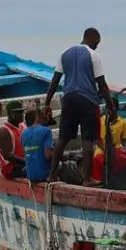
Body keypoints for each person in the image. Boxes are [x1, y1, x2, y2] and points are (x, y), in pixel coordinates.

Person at [44, 26, 113, 155]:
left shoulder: (65, 53)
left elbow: (55, 81)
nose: (97, 46)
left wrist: (47, 103)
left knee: (62, 138)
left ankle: (52, 175)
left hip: (69, 98)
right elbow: (102, 85)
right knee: (88, 140)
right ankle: (86, 175)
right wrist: (112, 108)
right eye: (97, 43)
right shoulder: (94, 55)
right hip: (87, 100)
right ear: (92, 39)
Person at [20, 106, 57, 184]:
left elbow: (26, 156)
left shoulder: (23, 134)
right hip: (44, 175)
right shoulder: (46, 131)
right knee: (69, 166)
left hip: (31, 176)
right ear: (39, 117)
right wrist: (58, 152)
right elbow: (48, 155)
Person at [0, 101, 27, 179]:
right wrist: (27, 162)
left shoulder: (23, 126)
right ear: (12, 114)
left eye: (22, 112)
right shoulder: (4, 131)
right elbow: (7, 156)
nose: (23, 115)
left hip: (24, 164)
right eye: (20, 113)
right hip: (11, 169)